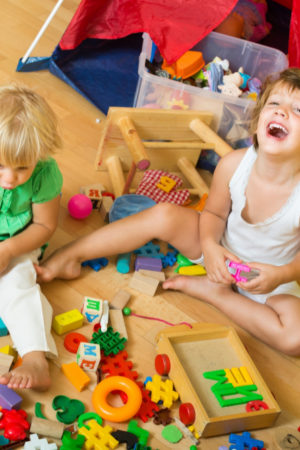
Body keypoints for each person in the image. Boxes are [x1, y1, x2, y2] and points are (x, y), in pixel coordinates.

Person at [37, 68, 300, 356]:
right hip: (220, 247)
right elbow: (213, 215)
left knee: (295, 339)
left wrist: (281, 274)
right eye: (274, 104)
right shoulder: (234, 164)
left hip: (273, 278)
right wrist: (211, 246)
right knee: (163, 214)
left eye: (298, 110)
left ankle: (218, 295)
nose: (282, 112)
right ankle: (70, 256)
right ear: (259, 119)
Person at [0, 84, 63, 390]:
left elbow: (44, 226)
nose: (10, 178)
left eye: (22, 167)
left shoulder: (45, 174)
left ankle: (36, 358)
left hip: (21, 243)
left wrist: (10, 250)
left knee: (19, 286)